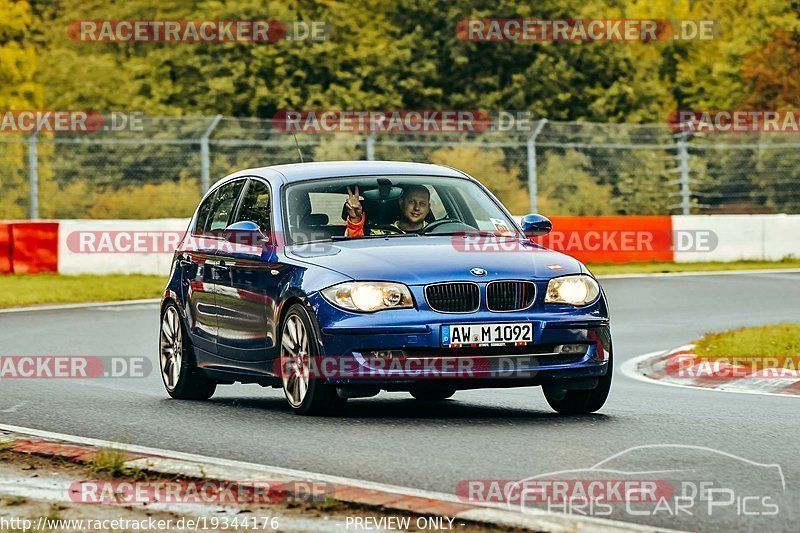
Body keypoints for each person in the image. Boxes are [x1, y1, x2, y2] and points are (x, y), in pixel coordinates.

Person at [344, 184, 431, 237]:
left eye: (422, 203)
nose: (417, 208)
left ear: (428, 207)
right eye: (412, 202)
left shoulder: (439, 232)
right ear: (401, 203)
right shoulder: (380, 233)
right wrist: (355, 220)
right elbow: (358, 249)